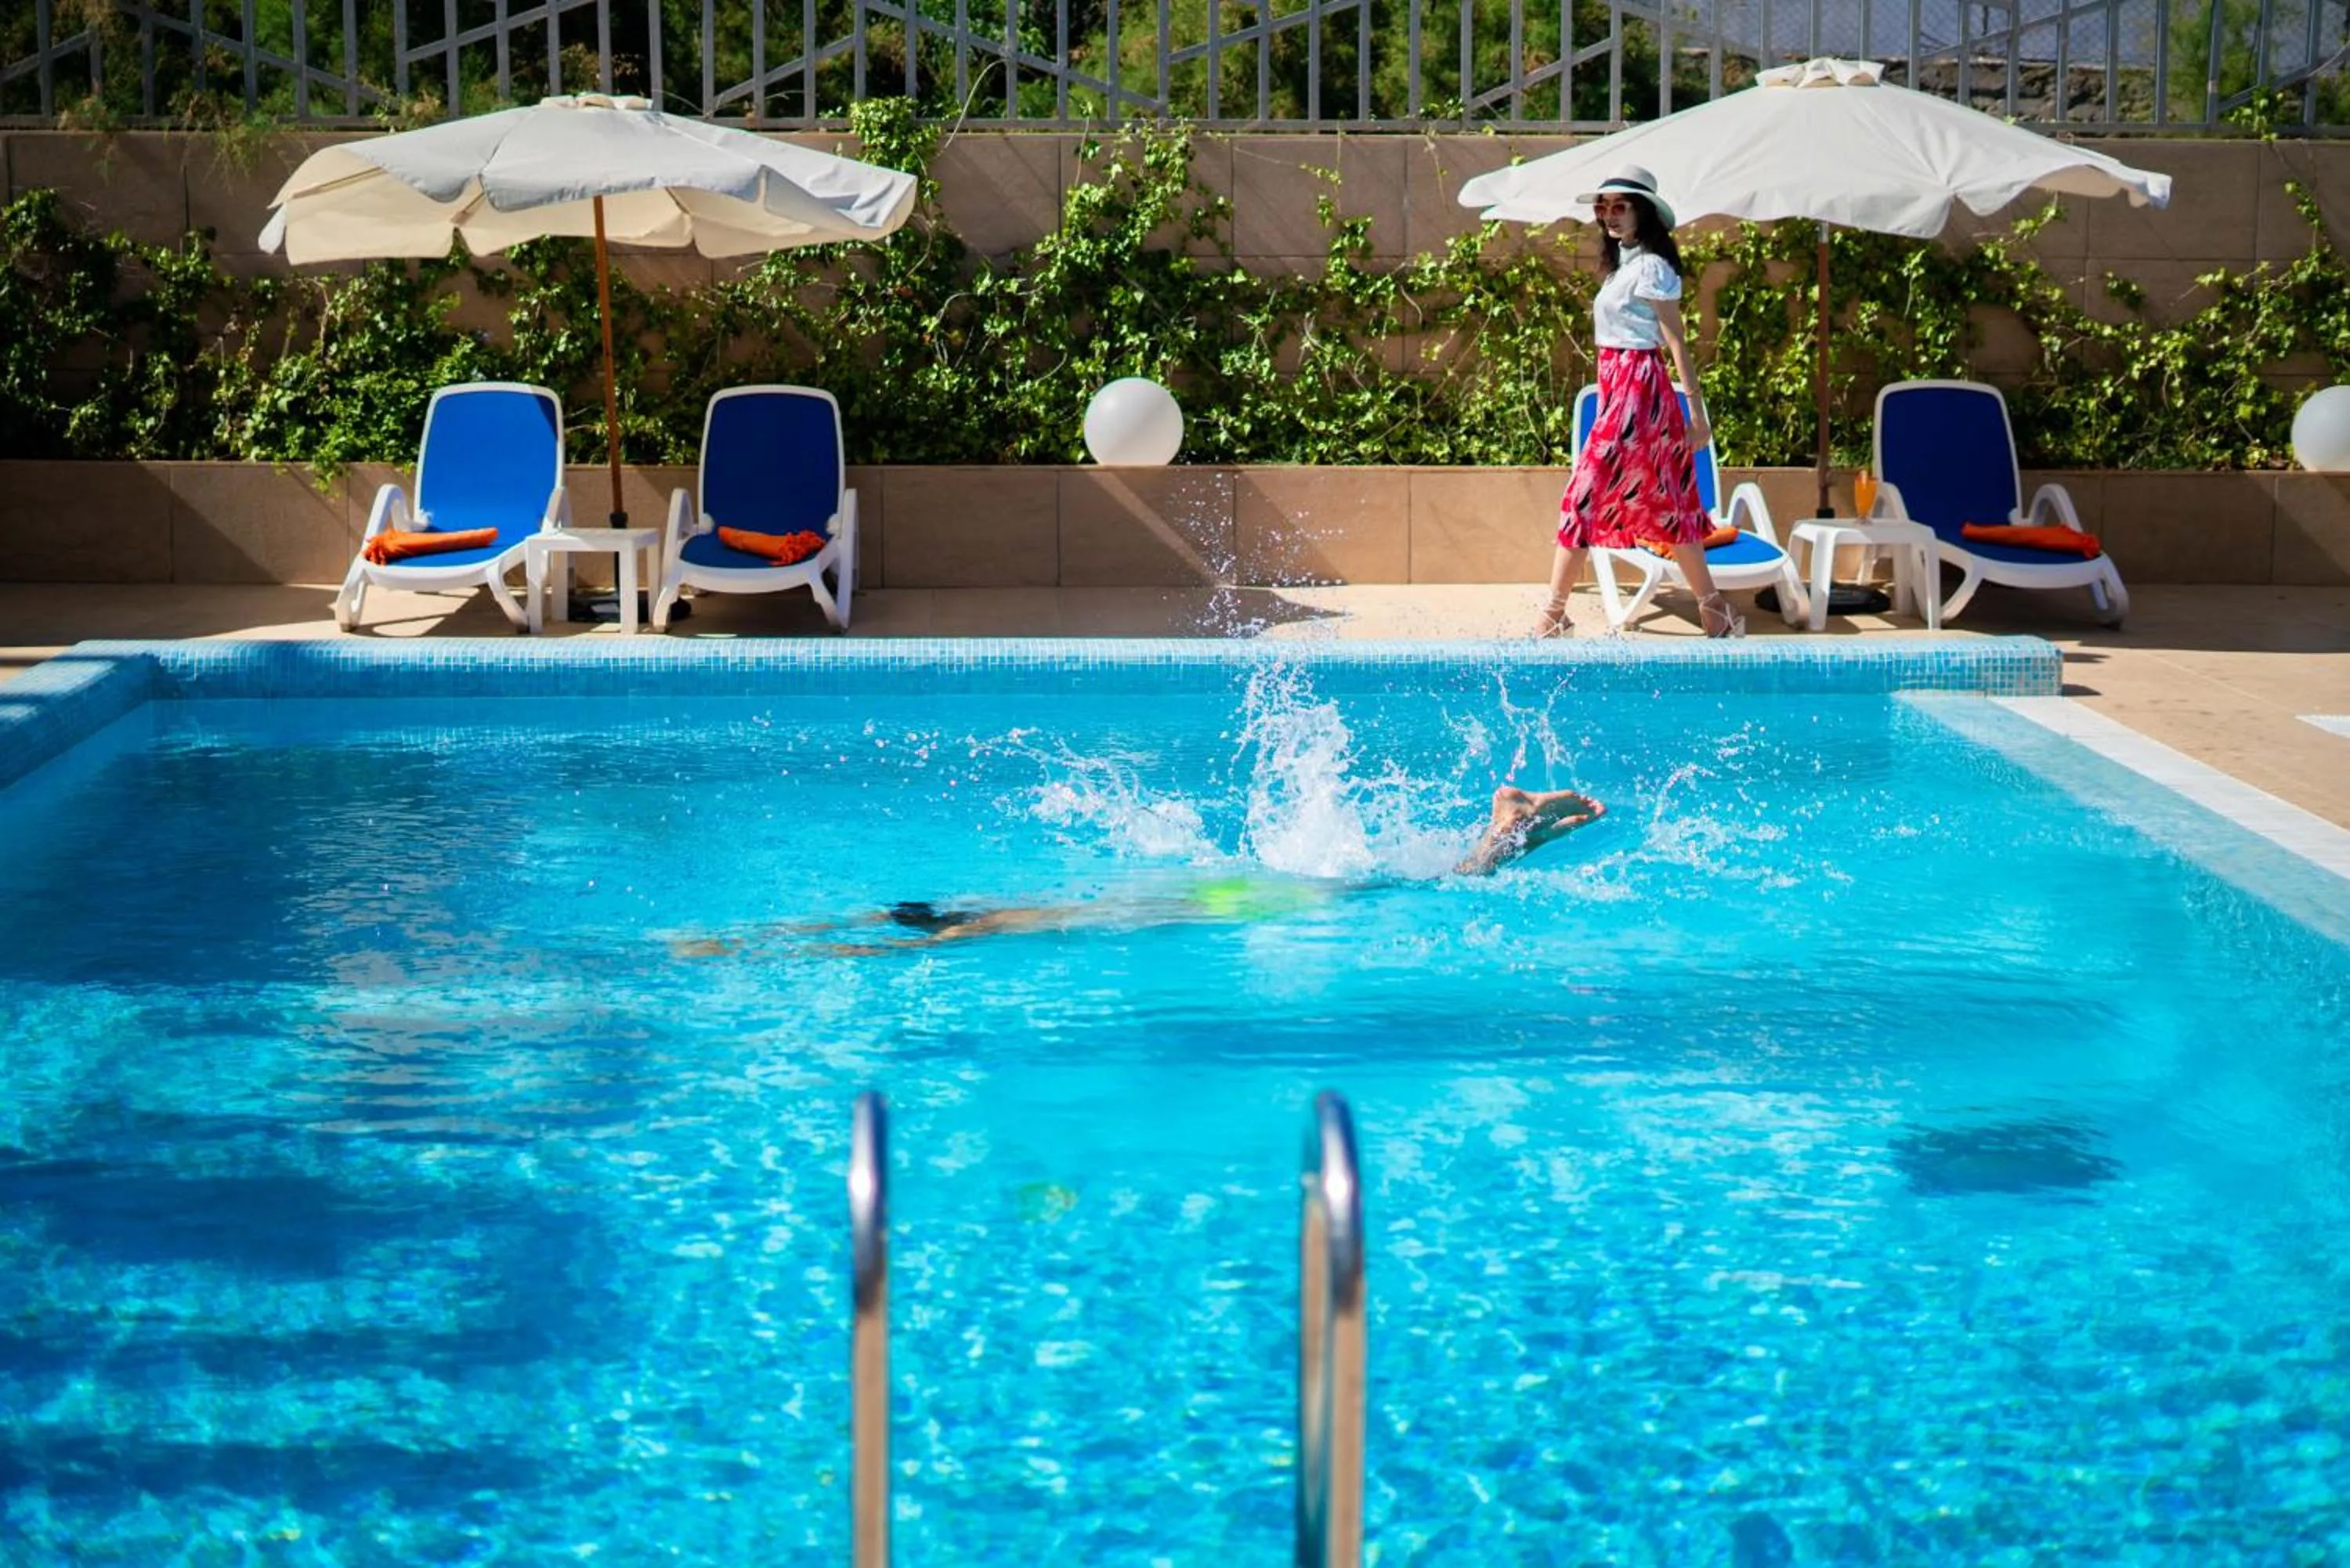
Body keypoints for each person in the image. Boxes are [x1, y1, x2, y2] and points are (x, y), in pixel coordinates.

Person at [669, 787, 1606, 957]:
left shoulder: (995, 921)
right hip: (1211, 901)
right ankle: (1504, 829)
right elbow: (903, 928)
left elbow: (902, 935)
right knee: (1404, 885)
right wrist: (758, 945)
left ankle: (1505, 831)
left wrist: (755, 951)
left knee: (1405, 886)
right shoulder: (999, 918)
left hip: (1216, 904)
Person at [1533, 167, 1741, 641]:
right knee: (1669, 503)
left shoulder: (1650, 267)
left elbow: (1675, 342)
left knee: (1584, 495)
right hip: (1620, 388)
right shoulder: (1626, 267)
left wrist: (1697, 412)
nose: (1609, 215)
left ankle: (1553, 612)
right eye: (1602, 207)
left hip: (1640, 389)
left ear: (1642, 212)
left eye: (1619, 206)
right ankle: (1714, 611)